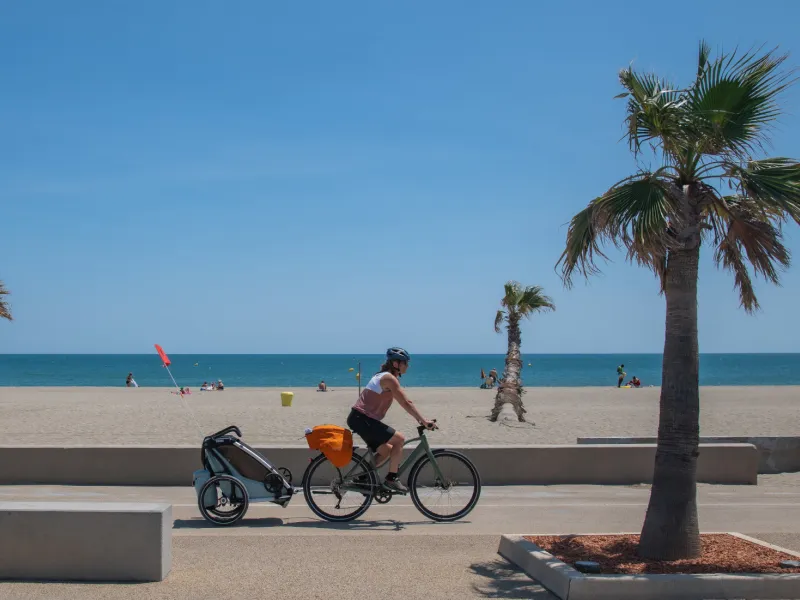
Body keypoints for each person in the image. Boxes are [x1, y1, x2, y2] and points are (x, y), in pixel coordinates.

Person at [347, 347, 436, 493]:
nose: (407, 366)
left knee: (386, 450)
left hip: (360, 419)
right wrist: (423, 421)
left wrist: (421, 419)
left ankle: (362, 479)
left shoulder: (383, 376)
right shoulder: (389, 378)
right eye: (405, 363)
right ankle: (391, 479)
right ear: (396, 363)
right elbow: (406, 402)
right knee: (399, 439)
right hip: (363, 419)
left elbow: (403, 402)